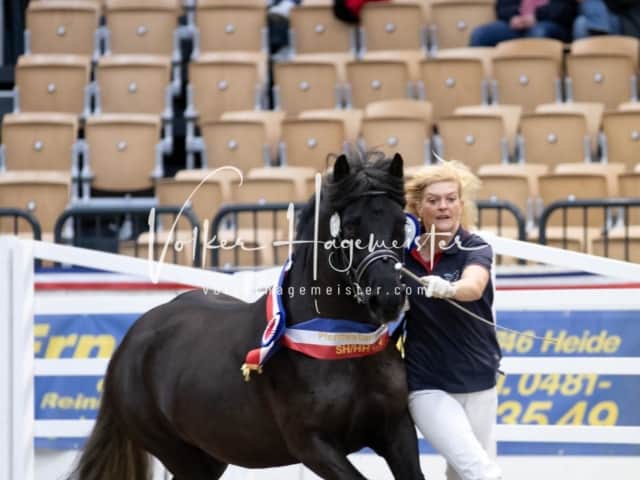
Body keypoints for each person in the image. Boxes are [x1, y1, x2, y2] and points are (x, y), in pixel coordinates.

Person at [403, 160, 503, 480]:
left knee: (461, 472)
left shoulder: (475, 247)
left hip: (479, 378)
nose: (443, 207)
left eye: (450, 198)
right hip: (428, 384)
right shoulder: (401, 255)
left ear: (461, 204)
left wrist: (449, 288)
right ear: (419, 208)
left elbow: (473, 287)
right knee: (480, 470)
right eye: (433, 200)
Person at [469, 0, 576, 47]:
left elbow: (565, 8)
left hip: (549, 24)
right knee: (480, 35)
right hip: (516, 25)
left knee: (539, 33)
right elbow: (502, 6)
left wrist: (536, 17)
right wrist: (513, 16)